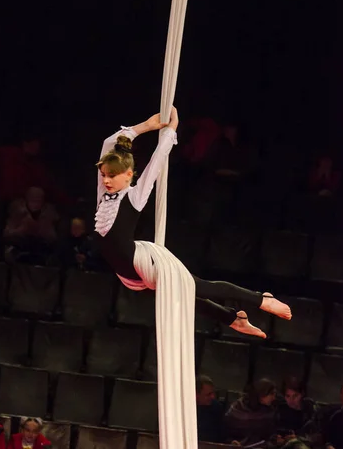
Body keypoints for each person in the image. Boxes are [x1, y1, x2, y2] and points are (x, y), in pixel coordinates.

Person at [93, 108, 291, 338]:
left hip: (141, 263)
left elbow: (157, 161)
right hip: (128, 277)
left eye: (111, 176)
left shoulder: (134, 196)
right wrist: (146, 126)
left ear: (128, 175)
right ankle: (232, 318)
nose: (105, 180)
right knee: (181, 296)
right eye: (104, 175)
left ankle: (260, 298)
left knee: (196, 286)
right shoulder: (103, 193)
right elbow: (109, 143)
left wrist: (170, 131)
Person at [4, 187, 59, 265]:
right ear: (26, 199)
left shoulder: (48, 213)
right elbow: (6, 234)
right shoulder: (17, 211)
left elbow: (53, 238)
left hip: (40, 249)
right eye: (32, 200)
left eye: (38, 201)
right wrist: (22, 229)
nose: (35, 204)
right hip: (19, 247)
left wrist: (41, 228)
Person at [225, 378, 278, 445]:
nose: (274, 398)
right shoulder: (237, 408)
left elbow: (270, 434)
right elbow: (225, 431)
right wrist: (232, 441)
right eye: (271, 394)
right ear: (261, 394)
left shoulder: (270, 410)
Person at [196, 375, 225, 443]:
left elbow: (222, 435)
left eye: (213, 393)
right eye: (208, 394)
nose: (213, 397)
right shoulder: (185, 409)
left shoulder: (216, 407)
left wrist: (231, 442)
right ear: (196, 395)